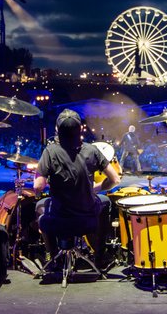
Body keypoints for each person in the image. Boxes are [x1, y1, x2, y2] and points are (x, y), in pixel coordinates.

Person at [34, 109, 120, 269]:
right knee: (106, 202)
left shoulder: (50, 151)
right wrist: (95, 189)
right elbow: (115, 179)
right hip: (87, 220)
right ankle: (100, 257)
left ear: (57, 131)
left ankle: (54, 258)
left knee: (40, 206)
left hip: (58, 220)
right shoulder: (92, 150)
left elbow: (38, 186)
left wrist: (45, 178)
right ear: (80, 129)